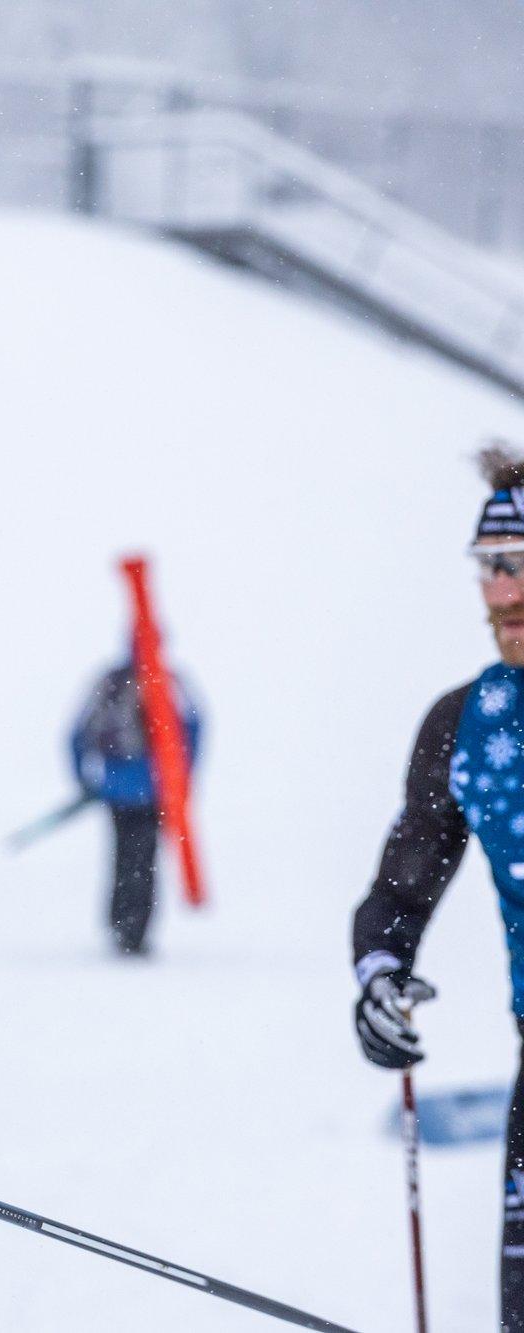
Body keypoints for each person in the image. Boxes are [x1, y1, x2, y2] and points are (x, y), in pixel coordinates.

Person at [352, 442, 524, 1330]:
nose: (501, 591)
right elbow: (403, 887)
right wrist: (380, 971)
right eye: (490, 566)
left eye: (520, 565)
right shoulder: (469, 721)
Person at [69, 659, 201, 955]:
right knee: (143, 859)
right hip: (153, 790)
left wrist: (85, 778)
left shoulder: (112, 682)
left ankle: (122, 926)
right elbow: (195, 725)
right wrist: (183, 776)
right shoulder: (170, 681)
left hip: (119, 790)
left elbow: (78, 733)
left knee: (126, 857)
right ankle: (134, 930)